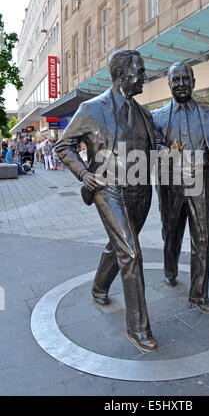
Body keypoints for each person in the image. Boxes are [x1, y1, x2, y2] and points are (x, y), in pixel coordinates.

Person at [55, 50, 157, 352]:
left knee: (119, 245)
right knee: (132, 253)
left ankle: (99, 286)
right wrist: (84, 175)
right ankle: (138, 328)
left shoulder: (145, 114)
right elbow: (64, 145)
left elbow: (156, 146)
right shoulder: (92, 109)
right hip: (108, 189)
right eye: (140, 71)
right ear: (122, 74)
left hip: (141, 191)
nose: (144, 76)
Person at [152, 62, 209, 314]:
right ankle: (170, 270)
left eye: (185, 78)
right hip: (171, 182)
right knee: (171, 233)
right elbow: (150, 148)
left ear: (194, 81)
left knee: (202, 239)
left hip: (202, 180)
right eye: (175, 79)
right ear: (168, 83)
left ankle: (198, 294)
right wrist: (166, 151)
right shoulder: (157, 117)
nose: (181, 84)